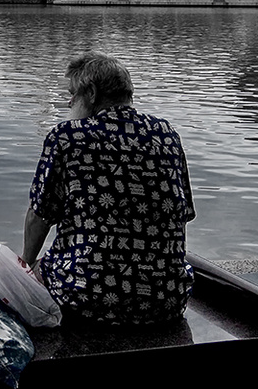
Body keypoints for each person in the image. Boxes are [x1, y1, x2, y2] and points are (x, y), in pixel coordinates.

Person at [20, 52, 195, 324]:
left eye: (72, 94)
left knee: (41, 268)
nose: (69, 102)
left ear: (90, 93)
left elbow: (39, 215)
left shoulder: (67, 137)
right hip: (167, 299)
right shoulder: (167, 134)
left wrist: (26, 267)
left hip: (87, 299)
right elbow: (182, 214)